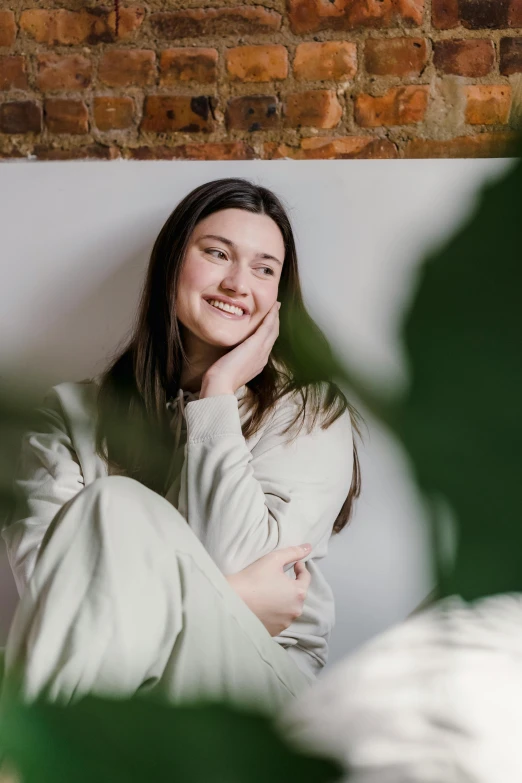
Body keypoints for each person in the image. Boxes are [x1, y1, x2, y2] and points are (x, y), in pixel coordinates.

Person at [1, 177, 360, 716]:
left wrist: (215, 399)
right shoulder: (65, 416)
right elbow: (56, 598)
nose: (239, 283)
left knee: (112, 503)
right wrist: (233, 599)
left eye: (265, 268)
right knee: (113, 508)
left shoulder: (309, 412)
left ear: (278, 296)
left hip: (255, 674)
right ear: (172, 262)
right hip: (107, 669)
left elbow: (235, 556)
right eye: (218, 253)